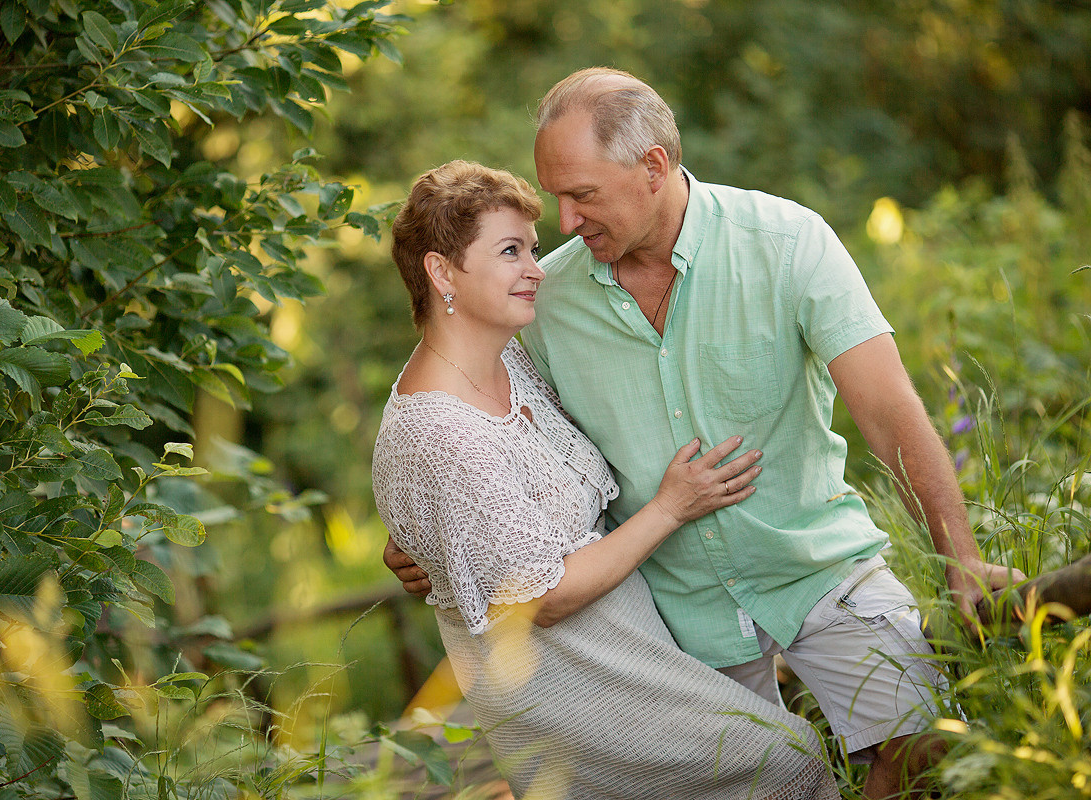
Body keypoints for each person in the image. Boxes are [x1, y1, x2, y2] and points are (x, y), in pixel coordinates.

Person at [385, 69, 1024, 798]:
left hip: (817, 569)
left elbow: (891, 415)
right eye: (555, 196)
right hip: (672, 614)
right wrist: (427, 530)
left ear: (652, 167)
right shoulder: (546, 299)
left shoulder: (785, 243)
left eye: (582, 194)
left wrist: (961, 561)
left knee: (925, 747)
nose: (564, 222)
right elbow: (493, 431)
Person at [372, 159, 840, 799]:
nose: (537, 270)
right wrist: (672, 507)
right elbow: (540, 597)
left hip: (630, 643)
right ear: (440, 270)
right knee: (783, 762)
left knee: (784, 757)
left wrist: (431, 546)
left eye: (532, 250)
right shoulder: (438, 431)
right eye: (510, 252)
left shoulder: (509, 356)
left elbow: (484, 520)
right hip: (566, 680)